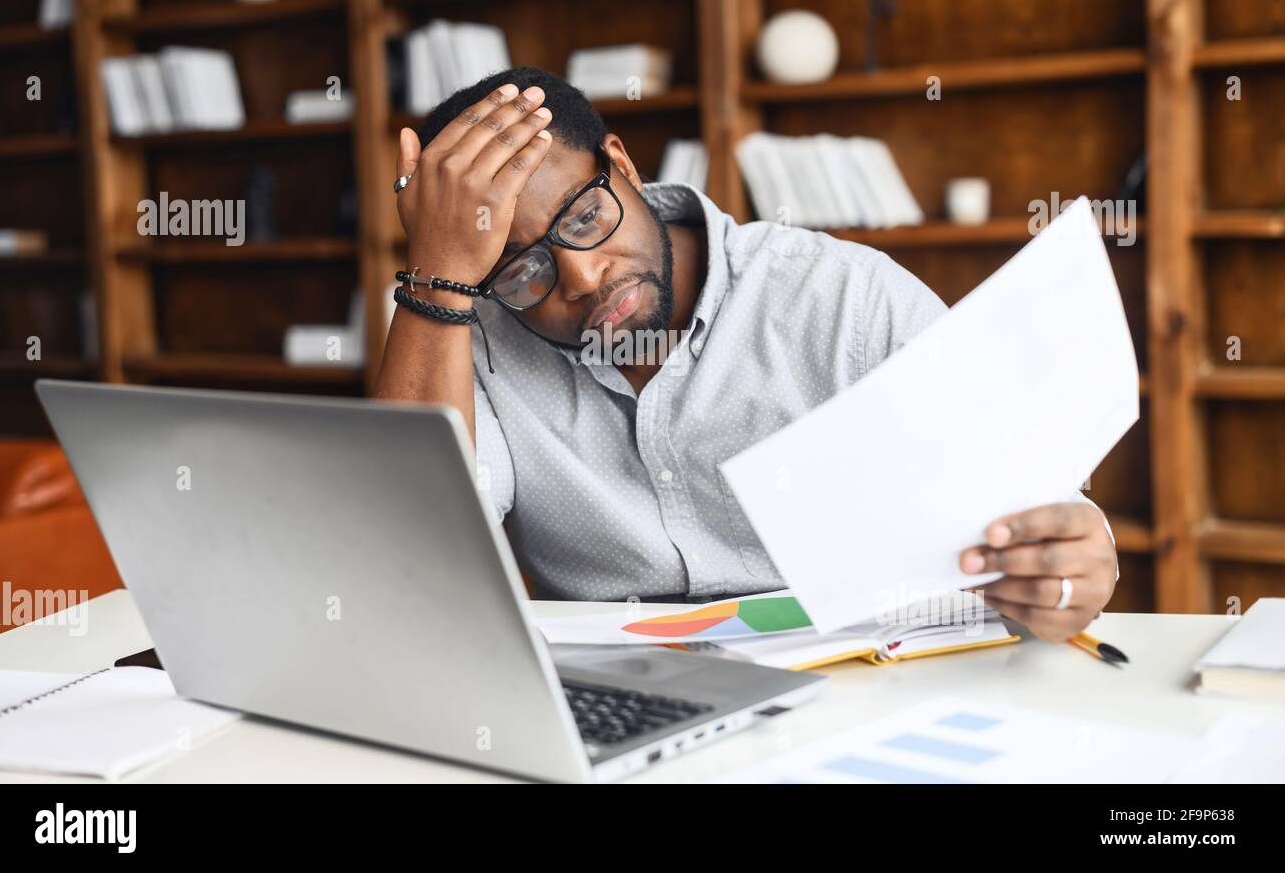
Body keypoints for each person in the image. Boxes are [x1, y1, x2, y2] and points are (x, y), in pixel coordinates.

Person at [373, 67, 1118, 642]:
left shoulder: (842, 297)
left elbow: (1034, 504)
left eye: (586, 215)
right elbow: (406, 560)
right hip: (628, 721)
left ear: (622, 166)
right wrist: (437, 277)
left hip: (862, 697)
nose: (581, 276)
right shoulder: (458, 329)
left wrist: (1073, 564)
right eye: (519, 269)